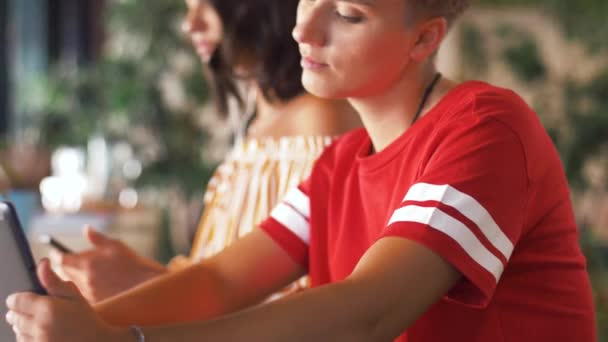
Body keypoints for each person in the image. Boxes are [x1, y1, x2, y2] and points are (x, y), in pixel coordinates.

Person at [6, 0, 597, 341]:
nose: (303, 30)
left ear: (424, 39)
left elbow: (367, 313)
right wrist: (79, 325)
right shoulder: (339, 164)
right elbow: (220, 283)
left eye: (346, 13)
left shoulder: (484, 129)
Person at [45, 0, 360, 304]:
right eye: (188, 7)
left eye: (209, 6)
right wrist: (143, 276)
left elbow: (309, 307)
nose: (190, 24)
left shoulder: (317, 123)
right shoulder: (261, 120)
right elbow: (228, 277)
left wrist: (145, 286)